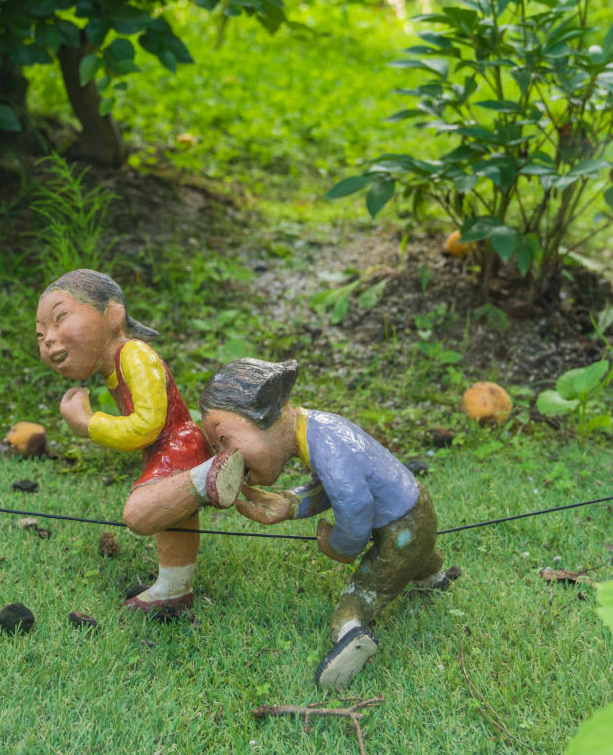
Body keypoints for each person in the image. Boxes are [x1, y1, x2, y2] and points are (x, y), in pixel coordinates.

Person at [199, 357, 452, 690]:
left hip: (402, 528)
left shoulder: (328, 444)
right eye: (215, 447)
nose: (225, 456)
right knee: (414, 553)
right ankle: (433, 577)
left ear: (267, 417)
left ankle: (350, 632)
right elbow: (334, 489)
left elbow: (355, 506)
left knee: (364, 590)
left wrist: (339, 547)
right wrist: (290, 504)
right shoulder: (317, 429)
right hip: (414, 511)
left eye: (225, 440)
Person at [36, 269, 245, 615]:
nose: (48, 339)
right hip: (165, 449)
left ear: (113, 315)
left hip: (178, 446)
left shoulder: (134, 354)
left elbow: (148, 425)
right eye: (41, 333)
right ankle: (175, 588)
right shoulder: (114, 365)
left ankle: (211, 475)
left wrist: (89, 424)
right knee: (172, 516)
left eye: (60, 319)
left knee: (141, 513)